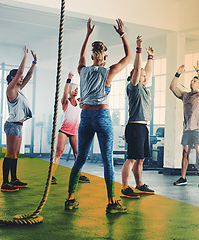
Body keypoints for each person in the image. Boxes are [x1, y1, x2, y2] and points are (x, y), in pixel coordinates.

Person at [65, 18, 132, 214]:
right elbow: (128, 57)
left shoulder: (82, 71)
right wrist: (122, 34)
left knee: (80, 159)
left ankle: (70, 198)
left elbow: (81, 58)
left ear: (92, 55)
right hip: (102, 117)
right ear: (104, 57)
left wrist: (87, 35)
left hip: (85, 118)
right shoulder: (108, 71)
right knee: (107, 160)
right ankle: (112, 202)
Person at [120, 36, 155, 198]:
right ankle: (125, 187)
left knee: (140, 159)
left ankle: (139, 184)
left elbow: (148, 71)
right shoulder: (133, 87)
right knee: (132, 159)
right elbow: (138, 68)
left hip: (143, 127)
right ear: (135, 76)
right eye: (141, 75)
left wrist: (151, 57)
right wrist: (139, 49)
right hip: (134, 127)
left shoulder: (144, 87)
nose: (145, 76)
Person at [1, 46, 37, 192]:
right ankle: (5, 183)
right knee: (10, 154)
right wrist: (25, 56)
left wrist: (34, 63)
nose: (21, 79)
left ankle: (14, 180)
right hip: (12, 125)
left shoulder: (19, 89)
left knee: (15, 154)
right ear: (12, 78)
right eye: (18, 78)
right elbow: (21, 72)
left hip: (19, 126)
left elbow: (27, 75)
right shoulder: (11, 89)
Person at [169, 61, 199, 188]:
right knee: (185, 153)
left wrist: (198, 71)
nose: (192, 82)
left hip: (198, 128)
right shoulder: (185, 95)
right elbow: (172, 87)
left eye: (194, 81)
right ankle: (183, 177)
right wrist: (177, 73)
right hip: (187, 129)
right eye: (191, 80)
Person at [51, 72, 90, 185]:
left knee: (77, 153)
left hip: (74, 131)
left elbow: (86, 93)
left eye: (77, 89)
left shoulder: (78, 102)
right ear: (70, 91)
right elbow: (64, 92)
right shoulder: (65, 102)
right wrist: (68, 79)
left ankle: (80, 175)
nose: (76, 91)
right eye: (74, 89)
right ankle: (51, 175)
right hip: (63, 130)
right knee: (59, 153)